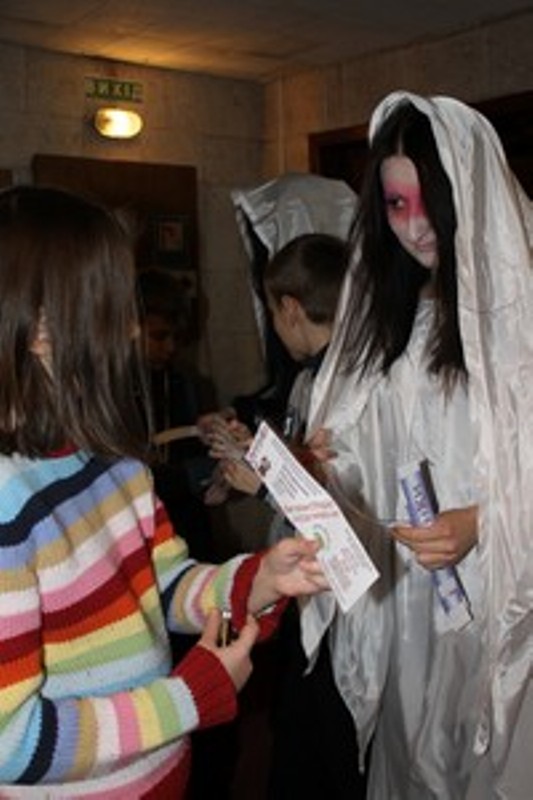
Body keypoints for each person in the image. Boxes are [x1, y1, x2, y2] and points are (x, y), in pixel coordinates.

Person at [0, 185, 329, 799]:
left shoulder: (114, 463)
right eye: (109, 303)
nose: (130, 326)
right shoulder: (6, 501)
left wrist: (257, 582)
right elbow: (10, 741)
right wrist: (188, 697)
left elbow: (164, 586)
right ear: (40, 326)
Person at [302, 92, 533, 799]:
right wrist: (331, 463)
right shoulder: (403, 314)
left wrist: (484, 521)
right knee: (416, 761)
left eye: (430, 200)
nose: (415, 226)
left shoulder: (522, 314)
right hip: (417, 607)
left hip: (505, 594)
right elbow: (384, 443)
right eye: (396, 205)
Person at [208, 233, 365, 799]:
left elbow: (348, 512)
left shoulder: (351, 386)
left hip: (339, 597)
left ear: (291, 308)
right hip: (304, 586)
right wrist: (254, 455)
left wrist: (267, 487)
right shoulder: (307, 380)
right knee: (295, 726)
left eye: (273, 312)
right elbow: (307, 465)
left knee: (328, 734)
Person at [136, 266, 215, 561]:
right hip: (141, 536)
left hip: (187, 530)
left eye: (176, 338)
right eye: (159, 337)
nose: (170, 348)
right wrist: (191, 475)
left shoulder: (182, 383)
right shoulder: (108, 394)